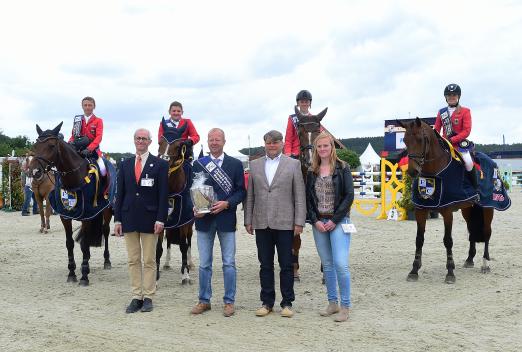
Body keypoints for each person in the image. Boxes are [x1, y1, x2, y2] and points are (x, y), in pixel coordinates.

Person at [244, 130, 306, 318]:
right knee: (265, 264)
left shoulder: (293, 164)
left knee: (286, 264)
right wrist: (248, 219)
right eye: (269, 142)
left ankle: (287, 303)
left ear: (282, 144)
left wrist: (299, 221)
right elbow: (250, 195)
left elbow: (299, 196)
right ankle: (267, 302)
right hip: (262, 222)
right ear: (264, 144)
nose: (272, 145)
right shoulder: (254, 165)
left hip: (286, 222)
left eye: (276, 142)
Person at [189, 128, 245, 317]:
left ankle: (229, 301)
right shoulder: (198, 164)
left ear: (224, 141)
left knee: (229, 263)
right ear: (208, 141)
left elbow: (241, 192)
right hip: (204, 221)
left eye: (217, 139)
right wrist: (195, 208)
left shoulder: (235, 164)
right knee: (204, 263)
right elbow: (192, 190)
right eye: (211, 139)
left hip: (226, 219)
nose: (214, 142)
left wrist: (227, 203)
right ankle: (204, 300)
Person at [114, 128, 168, 313]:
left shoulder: (159, 165)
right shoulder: (125, 164)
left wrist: (161, 218)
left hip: (150, 218)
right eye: (138, 138)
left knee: (149, 259)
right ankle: (136, 296)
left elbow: (163, 195)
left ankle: (149, 296)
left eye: (144, 138)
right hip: (129, 217)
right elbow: (119, 194)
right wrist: (117, 220)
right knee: (133, 259)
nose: (141, 141)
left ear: (150, 142)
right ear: (134, 140)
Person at [305, 131, 354, 322]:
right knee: (327, 265)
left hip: (339, 221)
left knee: (341, 264)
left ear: (332, 147)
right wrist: (315, 220)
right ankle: (332, 302)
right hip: (319, 223)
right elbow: (309, 198)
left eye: (326, 145)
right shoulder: (312, 171)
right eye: (320, 146)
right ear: (316, 149)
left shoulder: (343, 167)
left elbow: (349, 196)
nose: (323, 149)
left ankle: (345, 306)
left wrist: (335, 219)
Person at [433, 84, 478, 188]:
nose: (451, 97)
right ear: (446, 98)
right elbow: (436, 130)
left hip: (459, 146)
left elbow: (466, 131)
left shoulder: (465, 111)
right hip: (444, 146)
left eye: (454, 95)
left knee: (468, 162)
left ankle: (475, 188)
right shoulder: (441, 112)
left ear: (458, 97)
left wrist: (452, 139)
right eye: (449, 95)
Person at [68, 96, 107, 176]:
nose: (87, 107)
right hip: (78, 150)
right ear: (82, 106)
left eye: (90, 105)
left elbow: (99, 137)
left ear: (94, 106)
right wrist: (69, 144)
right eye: (85, 105)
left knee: (103, 171)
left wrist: (89, 149)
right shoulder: (78, 120)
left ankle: (106, 188)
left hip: (93, 152)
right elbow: (73, 135)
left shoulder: (98, 121)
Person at [284, 89, 325, 158]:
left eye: (306, 102)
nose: (304, 104)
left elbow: (321, 134)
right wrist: (288, 152)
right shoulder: (292, 118)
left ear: (310, 103)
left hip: (312, 150)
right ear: (298, 103)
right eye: (302, 102)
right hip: (295, 152)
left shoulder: (314, 119)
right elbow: (288, 138)